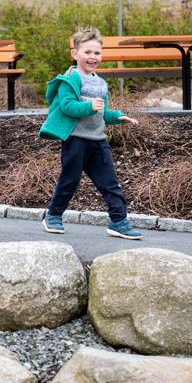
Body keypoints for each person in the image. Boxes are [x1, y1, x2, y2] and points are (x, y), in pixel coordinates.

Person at [39, 27, 143, 240]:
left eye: (97, 53)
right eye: (87, 52)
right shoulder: (70, 78)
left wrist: (118, 117)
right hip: (76, 140)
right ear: (75, 54)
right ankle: (53, 215)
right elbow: (67, 106)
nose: (92, 57)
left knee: (110, 183)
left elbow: (102, 112)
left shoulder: (100, 82)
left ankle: (118, 221)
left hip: (98, 141)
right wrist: (89, 107)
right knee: (69, 181)